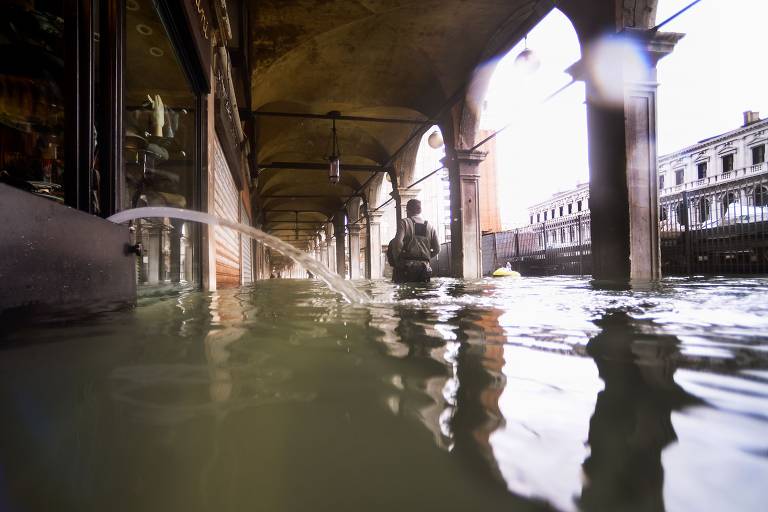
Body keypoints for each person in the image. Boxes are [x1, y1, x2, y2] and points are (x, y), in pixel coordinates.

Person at [391, 199, 440, 283]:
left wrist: (397, 260)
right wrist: (426, 257)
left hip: (407, 266)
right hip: (425, 267)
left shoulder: (404, 222)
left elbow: (397, 244)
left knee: (405, 294)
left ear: (407, 210)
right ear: (420, 210)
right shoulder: (430, 226)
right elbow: (437, 249)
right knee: (422, 294)